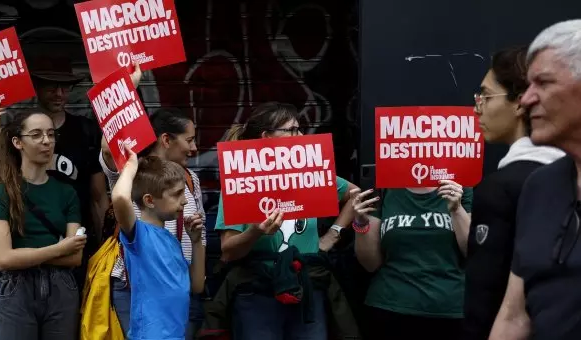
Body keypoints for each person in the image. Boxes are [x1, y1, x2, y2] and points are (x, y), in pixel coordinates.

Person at [200, 102, 361, 339]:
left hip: (307, 287)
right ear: (266, 137)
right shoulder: (241, 179)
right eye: (292, 130)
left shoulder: (310, 172)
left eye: (300, 129)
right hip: (257, 294)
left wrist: (332, 234)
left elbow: (355, 194)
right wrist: (255, 232)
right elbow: (228, 251)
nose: (301, 135)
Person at [0, 54, 109, 292]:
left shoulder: (85, 131)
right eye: (51, 86)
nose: (59, 93)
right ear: (36, 87)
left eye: (65, 87)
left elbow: (98, 198)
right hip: (25, 251)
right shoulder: (17, 132)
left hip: (72, 249)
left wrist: (103, 247)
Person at [461, 46, 564, 340]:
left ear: (520, 103)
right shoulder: (569, 178)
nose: (476, 107)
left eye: (485, 96)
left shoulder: (501, 189)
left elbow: (485, 297)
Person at [489, 19, 581, 340]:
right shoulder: (539, 187)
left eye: (543, 83)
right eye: (528, 85)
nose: (526, 101)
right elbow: (514, 316)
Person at [99, 106, 207, 338]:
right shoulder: (139, 232)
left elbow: (196, 284)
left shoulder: (172, 240)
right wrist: (130, 165)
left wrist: (196, 242)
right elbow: (119, 193)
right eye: (189, 140)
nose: (185, 202)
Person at [0, 107, 87, 340]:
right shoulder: (2, 191)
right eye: (37, 135)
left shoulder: (67, 192)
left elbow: (75, 257)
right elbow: (4, 260)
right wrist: (58, 249)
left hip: (61, 287)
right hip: (17, 289)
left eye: (51, 134)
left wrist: (20, 256)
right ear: (18, 142)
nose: (46, 141)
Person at [353, 179, 472, 339]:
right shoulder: (383, 188)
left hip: (450, 309)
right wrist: (360, 222)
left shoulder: (459, 188)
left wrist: (457, 210)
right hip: (390, 307)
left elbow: (473, 253)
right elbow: (370, 264)